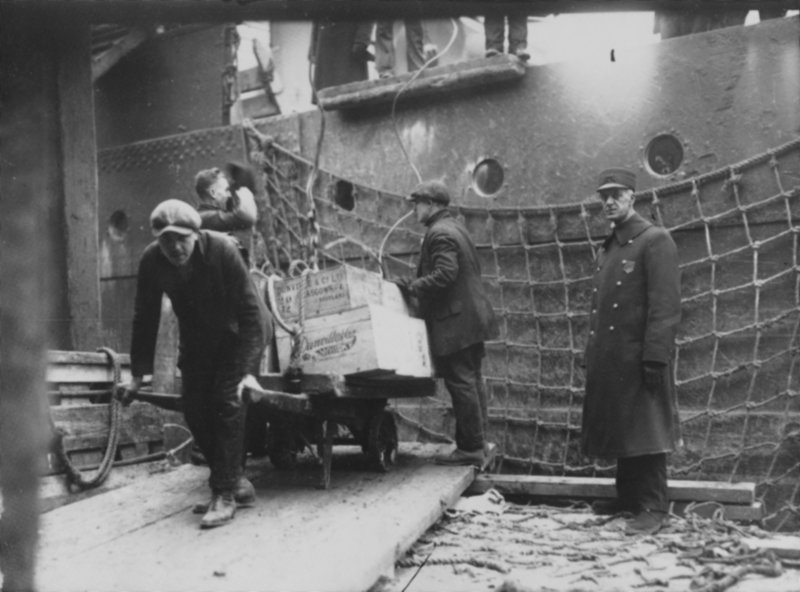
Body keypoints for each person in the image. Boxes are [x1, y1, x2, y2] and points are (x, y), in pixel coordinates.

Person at [117, 199, 270, 529]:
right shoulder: (152, 261)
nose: (174, 247)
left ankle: (225, 493)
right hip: (199, 342)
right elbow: (145, 317)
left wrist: (248, 372)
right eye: (166, 240)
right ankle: (235, 482)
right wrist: (137, 375)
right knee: (195, 409)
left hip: (239, 335)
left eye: (181, 239)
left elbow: (251, 317)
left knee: (228, 403)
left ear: (196, 234)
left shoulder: (222, 250)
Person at [582, 168, 682, 536]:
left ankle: (653, 507)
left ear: (633, 197)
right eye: (603, 195)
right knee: (624, 428)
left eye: (617, 194)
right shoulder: (612, 245)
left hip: (640, 356)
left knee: (647, 431)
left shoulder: (654, 240)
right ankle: (627, 497)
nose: (609, 201)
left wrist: (656, 356)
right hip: (612, 356)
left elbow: (665, 306)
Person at [396, 180, 499, 467]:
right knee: (473, 381)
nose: (414, 209)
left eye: (416, 204)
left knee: (462, 383)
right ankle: (479, 444)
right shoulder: (456, 228)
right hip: (471, 318)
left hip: (456, 322)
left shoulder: (439, 232)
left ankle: (470, 449)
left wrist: (414, 287)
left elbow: (445, 274)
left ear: (431, 205)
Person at [194, 163, 258, 266]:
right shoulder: (206, 218)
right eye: (226, 190)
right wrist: (244, 190)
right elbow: (247, 217)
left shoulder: (206, 217)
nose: (229, 195)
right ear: (213, 192)